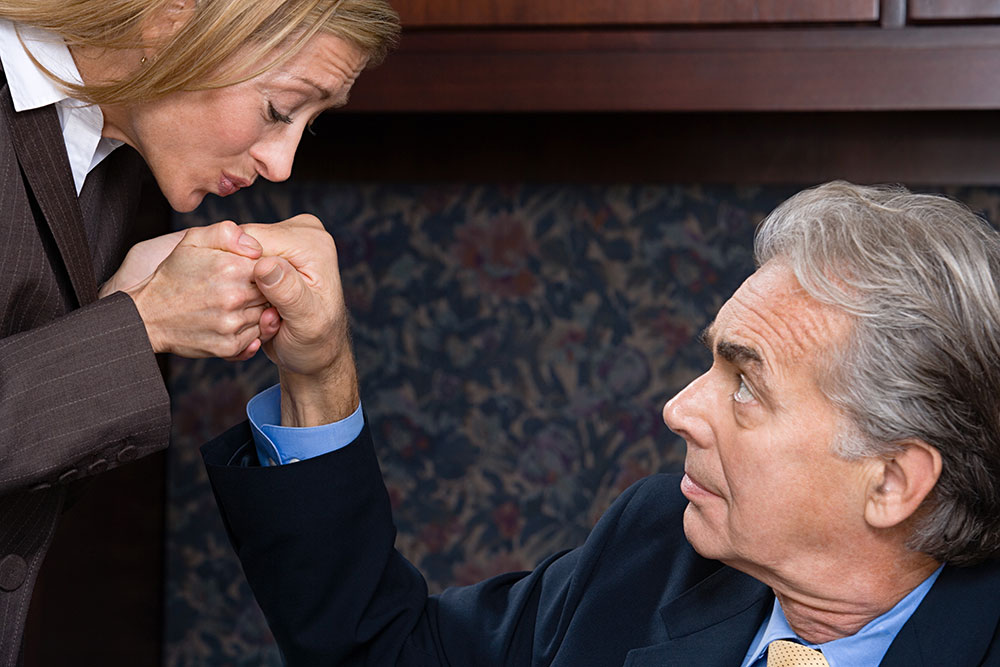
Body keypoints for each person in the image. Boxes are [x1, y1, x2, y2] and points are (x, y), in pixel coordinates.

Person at [203, 182, 1000, 666]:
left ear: (893, 480)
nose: (678, 408)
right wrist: (317, 373)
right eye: (711, 365)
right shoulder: (655, 545)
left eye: (746, 384)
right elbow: (384, 656)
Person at [0, 0, 399, 660]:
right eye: (280, 108)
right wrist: (138, 323)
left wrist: (115, 307)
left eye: (309, 122)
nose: (282, 163)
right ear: (169, 17)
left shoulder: (118, 163)